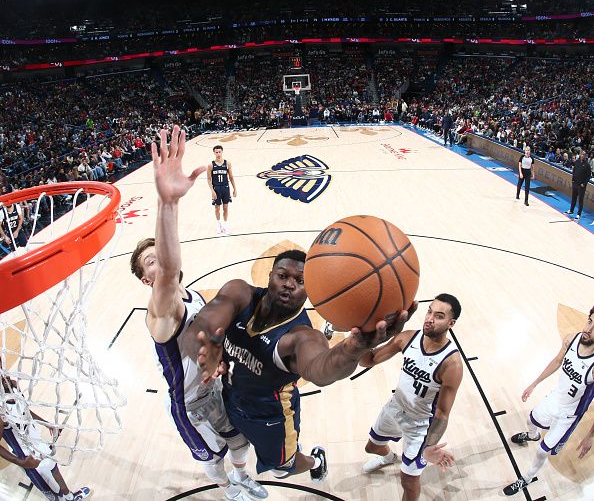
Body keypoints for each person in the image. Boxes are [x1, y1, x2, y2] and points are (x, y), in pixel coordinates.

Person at [195, 257, 452, 483]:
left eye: (300, 281)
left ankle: (316, 461)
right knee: (236, 444)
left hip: (269, 415)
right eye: (283, 276)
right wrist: (203, 343)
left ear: (311, 291)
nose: (289, 284)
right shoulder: (241, 294)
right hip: (230, 397)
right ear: (269, 275)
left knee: (283, 469)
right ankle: (240, 475)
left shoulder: (302, 336)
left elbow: (320, 370)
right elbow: (203, 323)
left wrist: (352, 349)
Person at [129, 126, 266, 501]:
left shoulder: (194, 296)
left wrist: (220, 360)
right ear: (146, 281)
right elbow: (170, 274)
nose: (161, 263)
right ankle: (226, 489)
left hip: (217, 386)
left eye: (160, 254)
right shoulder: (161, 311)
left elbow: (211, 337)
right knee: (215, 455)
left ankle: (242, 478)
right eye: (151, 263)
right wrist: (168, 205)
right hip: (190, 405)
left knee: (240, 442)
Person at [359, 294, 462, 501]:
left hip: (420, 424)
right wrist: (362, 339)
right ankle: (389, 457)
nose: (430, 318)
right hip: (395, 407)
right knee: (372, 447)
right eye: (429, 311)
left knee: (408, 481)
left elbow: (442, 413)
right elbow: (367, 361)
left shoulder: (452, 364)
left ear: (451, 323)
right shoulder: (407, 338)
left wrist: (428, 448)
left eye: (439, 316)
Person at [502, 305, 594, 496]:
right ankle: (533, 435)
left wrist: (590, 437)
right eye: (590, 321)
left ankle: (526, 479)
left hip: (569, 415)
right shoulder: (572, 339)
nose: (588, 329)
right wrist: (534, 383)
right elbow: (557, 361)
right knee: (530, 421)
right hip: (554, 398)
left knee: (543, 451)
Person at [0, 376, 90, 501]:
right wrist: (22, 463)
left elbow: (24, 410)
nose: (4, 376)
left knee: (54, 469)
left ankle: (69, 497)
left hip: (38, 442)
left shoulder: (13, 385)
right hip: (28, 457)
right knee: (53, 493)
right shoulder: (1, 411)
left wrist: (46, 423)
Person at [207, 145, 237, 235]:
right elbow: (209, 179)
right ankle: (218, 224)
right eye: (216, 152)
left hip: (225, 187)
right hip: (216, 188)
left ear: (222, 152)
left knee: (226, 207)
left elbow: (231, 177)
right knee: (217, 208)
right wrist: (212, 191)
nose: (218, 154)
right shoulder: (210, 165)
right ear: (214, 153)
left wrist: (235, 188)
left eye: (219, 152)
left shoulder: (227, 163)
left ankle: (225, 224)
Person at [564, 151, 592, 221]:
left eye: (583, 154)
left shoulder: (587, 165)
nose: (582, 155)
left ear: (585, 156)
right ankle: (571, 210)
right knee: (573, 198)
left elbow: (589, 176)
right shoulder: (577, 162)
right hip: (575, 183)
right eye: (581, 154)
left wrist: (584, 183)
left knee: (580, 200)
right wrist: (573, 180)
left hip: (581, 185)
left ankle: (578, 214)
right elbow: (574, 171)